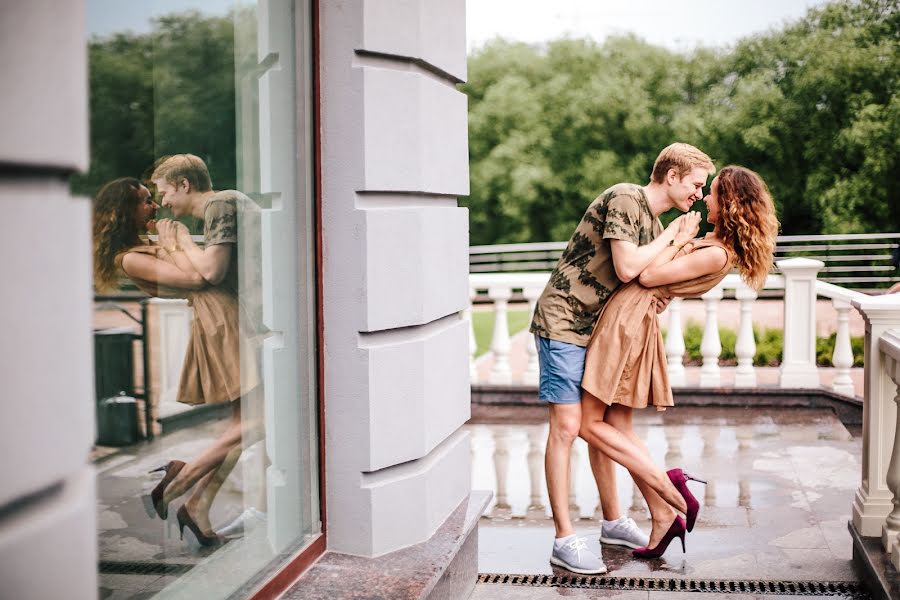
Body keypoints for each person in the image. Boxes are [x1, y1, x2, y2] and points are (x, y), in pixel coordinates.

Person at [529, 143, 715, 574]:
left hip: (598, 329)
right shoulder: (627, 198)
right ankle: (563, 538)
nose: (699, 195)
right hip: (564, 321)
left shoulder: (653, 221)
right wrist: (674, 236)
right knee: (568, 428)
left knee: (606, 423)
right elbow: (629, 266)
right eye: (695, 184)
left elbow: (648, 280)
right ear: (671, 176)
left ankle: (613, 523)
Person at [580, 165, 780, 558]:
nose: (706, 197)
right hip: (632, 318)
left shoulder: (717, 254)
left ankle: (671, 490)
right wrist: (684, 239)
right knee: (616, 426)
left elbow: (650, 275)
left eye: (714, 192)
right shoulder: (711, 242)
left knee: (589, 424)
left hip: (628, 324)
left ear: (730, 203)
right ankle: (660, 514)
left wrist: (677, 235)